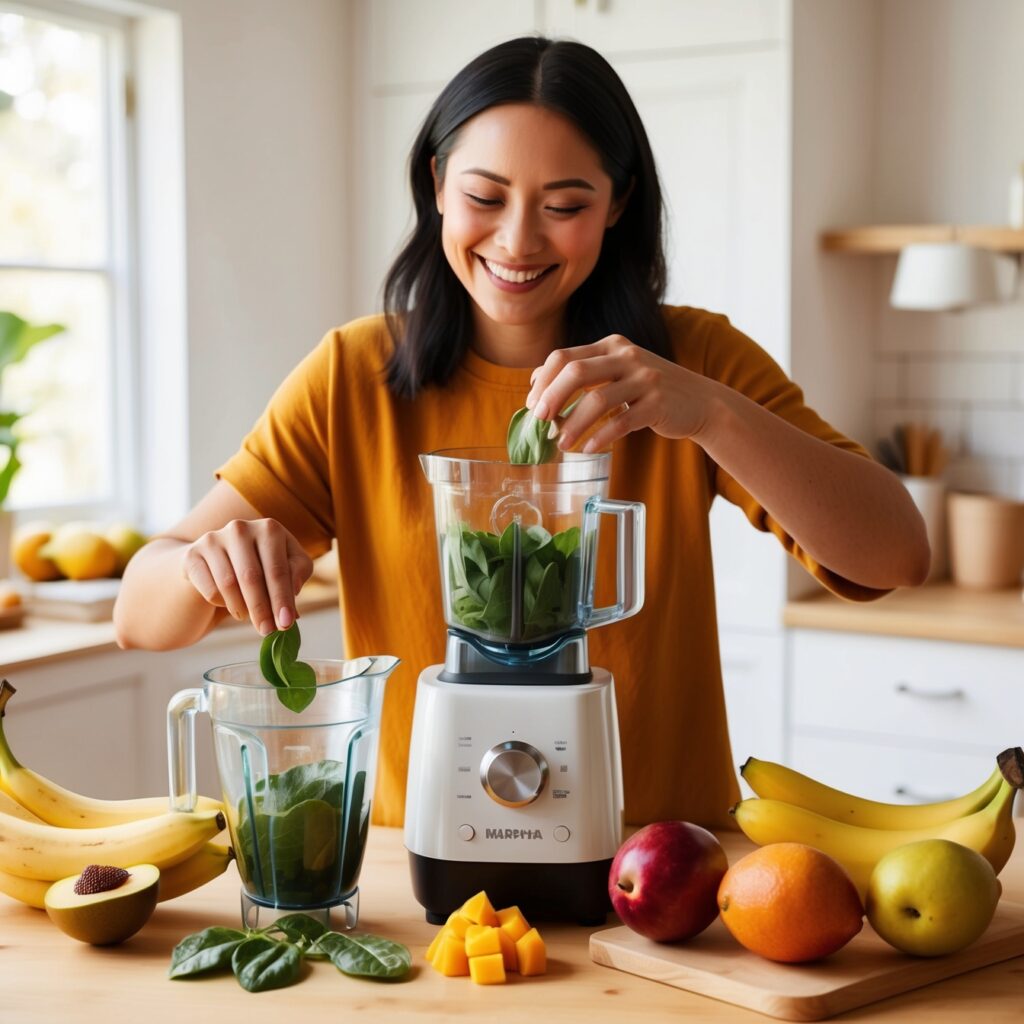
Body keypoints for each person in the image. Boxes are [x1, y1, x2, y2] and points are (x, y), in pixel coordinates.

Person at [114, 36, 928, 830]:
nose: (518, 240)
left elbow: (896, 553)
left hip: (663, 879)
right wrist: (203, 563)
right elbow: (139, 616)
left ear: (618, 203)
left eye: (565, 205)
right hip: (425, 876)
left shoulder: (691, 362)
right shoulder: (352, 375)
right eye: (484, 197)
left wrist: (710, 413)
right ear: (436, 184)